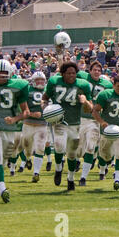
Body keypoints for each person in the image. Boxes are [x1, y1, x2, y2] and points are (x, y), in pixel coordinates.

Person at [42, 61, 93, 191]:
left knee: (71, 154)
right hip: (59, 121)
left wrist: (85, 101)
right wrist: (45, 108)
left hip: (75, 123)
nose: (72, 75)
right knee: (59, 146)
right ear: (63, 74)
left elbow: (90, 109)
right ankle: (58, 169)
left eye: (74, 73)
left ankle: (70, 178)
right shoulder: (54, 82)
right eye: (69, 73)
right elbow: (45, 98)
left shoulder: (83, 85)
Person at [0, 59, 30, 203]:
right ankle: (2, 189)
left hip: (9, 127)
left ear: (10, 73)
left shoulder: (19, 86)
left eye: (4, 74)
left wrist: (14, 119)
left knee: (5, 155)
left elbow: (26, 111)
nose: (1, 76)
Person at [92, 74, 119, 191]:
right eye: (118, 86)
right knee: (104, 154)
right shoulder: (105, 95)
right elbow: (95, 110)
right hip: (106, 129)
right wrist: (101, 122)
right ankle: (102, 169)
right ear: (113, 85)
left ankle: (117, 179)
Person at [77, 61, 113, 186]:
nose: (97, 72)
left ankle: (83, 177)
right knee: (78, 150)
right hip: (81, 118)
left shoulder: (107, 85)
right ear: (90, 70)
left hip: (95, 120)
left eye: (99, 70)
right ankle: (89, 161)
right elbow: (66, 75)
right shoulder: (82, 77)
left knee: (91, 147)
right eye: (95, 70)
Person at [21, 71, 48, 183]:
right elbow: (21, 107)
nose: (40, 82)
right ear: (33, 81)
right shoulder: (27, 91)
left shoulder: (47, 91)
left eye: (42, 80)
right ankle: (28, 159)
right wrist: (32, 114)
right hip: (28, 124)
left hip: (42, 125)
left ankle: (36, 173)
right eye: (38, 80)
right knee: (27, 149)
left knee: (40, 148)